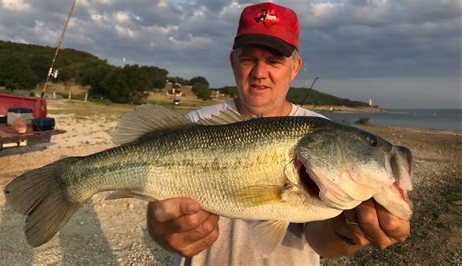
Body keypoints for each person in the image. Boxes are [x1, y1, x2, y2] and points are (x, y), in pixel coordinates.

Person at [147, 2, 410, 265]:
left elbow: (319, 240)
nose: (260, 73)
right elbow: (158, 208)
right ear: (233, 61)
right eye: (249, 59)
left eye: (274, 61)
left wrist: (349, 230)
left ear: (295, 67)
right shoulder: (196, 125)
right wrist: (160, 230)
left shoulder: (320, 127)